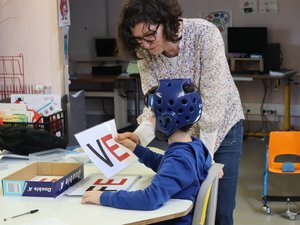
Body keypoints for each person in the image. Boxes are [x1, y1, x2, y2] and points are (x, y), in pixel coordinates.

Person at [115, 1, 244, 225]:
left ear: (167, 21)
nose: (144, 45)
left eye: (149, 36)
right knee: (190, 208)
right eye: (137, 40)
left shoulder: (204, 34)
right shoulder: (145, 53)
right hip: (183, 135)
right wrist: (139, 137)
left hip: (222, 129)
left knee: (220, 209)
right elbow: (156, 105)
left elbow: (213, 105)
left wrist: (204, 160)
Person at [81, 78, 212, 225]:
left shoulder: (179, 158)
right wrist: (136, 149)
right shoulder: (194, 146)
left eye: (153, 116)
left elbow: (149, 199)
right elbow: (165, 165)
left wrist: (103, 197)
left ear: (167, 121)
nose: (150, 121)